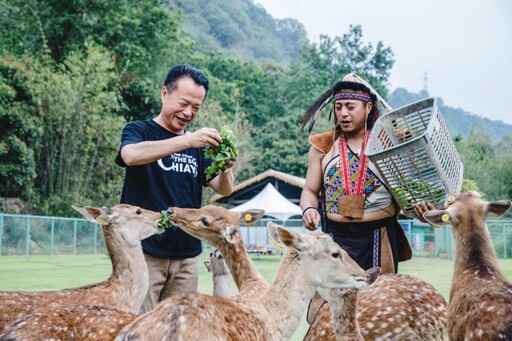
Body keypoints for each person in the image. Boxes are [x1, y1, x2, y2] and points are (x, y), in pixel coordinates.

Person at [115, 65, 235, 313]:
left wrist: (226, 166)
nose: (188, 112)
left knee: (179, 331)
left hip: (187, 257)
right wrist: (187, 140)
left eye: (196, 108)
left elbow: (224, 188)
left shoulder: (199, 147)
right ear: (164, 94)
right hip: (144, 254)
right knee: (138, 327)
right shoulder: (139, 130)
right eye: (183, 103)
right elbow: (129, 155)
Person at [299, 73, 434, 275]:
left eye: (350, 107)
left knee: (380, 303)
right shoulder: (322, 147)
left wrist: (422, 211)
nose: (343, 113)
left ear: (368, 107)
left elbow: (410, 195)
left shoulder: (390, 144)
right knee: (328, 305)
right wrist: (308, 209)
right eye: (338, 107)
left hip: (380, 239)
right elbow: (309, 190)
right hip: (334, 240)